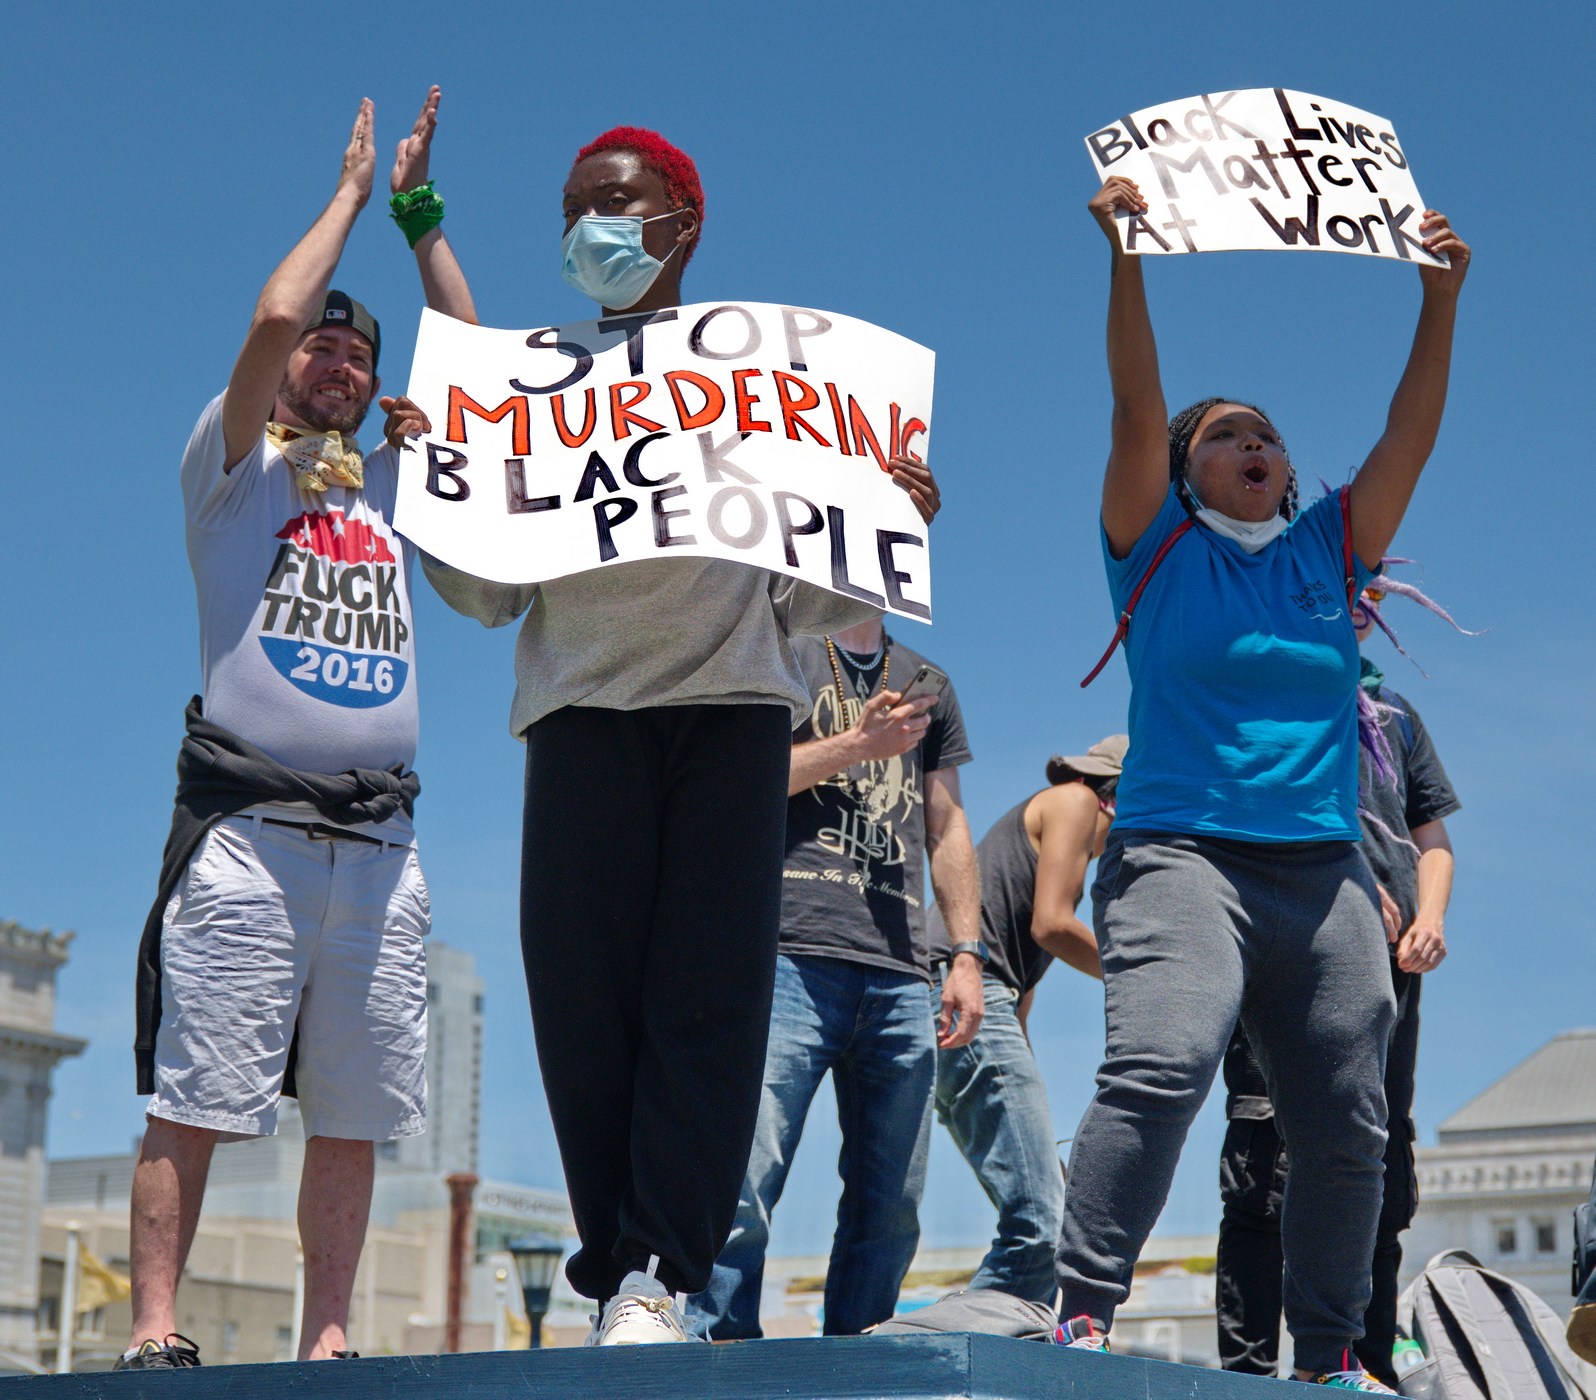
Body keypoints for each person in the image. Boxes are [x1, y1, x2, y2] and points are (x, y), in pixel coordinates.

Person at [382, 120, 943, 1345]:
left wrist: (884, 522)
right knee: (581, 1002)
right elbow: (488, 596)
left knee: (707, 1000)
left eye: (617, 201)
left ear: (682, 224)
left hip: (732, 715)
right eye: (576, 205)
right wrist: (436, 493)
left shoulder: (772, 391)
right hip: (580, 717)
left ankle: (657, 1273)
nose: (591, 225)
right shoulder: (533, 386)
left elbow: (806, 604)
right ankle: (612, 1263)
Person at [1054, 174, 1469, 1393]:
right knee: (1166, 1062)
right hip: (1181, 853)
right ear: (1184, 471)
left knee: (1350, 1123)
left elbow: (1410, 434)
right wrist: (1127, 256)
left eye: (1268, 435)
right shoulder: (1155, 545)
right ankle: (1082, 1313)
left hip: (1322, 874)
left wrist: (1439, 298)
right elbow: (1135, 403)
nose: (1254, 444)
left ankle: (1328, 1356)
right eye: (1225, 434)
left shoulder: (1328, 549)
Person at [122, 96, 454, 1368]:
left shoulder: (389, 486)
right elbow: (268, 317)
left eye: (358, 356)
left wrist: (422, 220)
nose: (338, 364)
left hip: (379, 846)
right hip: (249, 839)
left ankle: (328, 1338)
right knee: (199, 1092)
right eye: (325, 347)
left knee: (357, 1111)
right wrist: (353, 197)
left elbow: (482, 377)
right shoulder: (232, 472)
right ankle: (156, 1330)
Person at [687, 621, 978, 1338]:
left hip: (902, 972)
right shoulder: (778, 652)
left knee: (892, 1202)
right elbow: (738, 778)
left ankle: (857, 1367)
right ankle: (719, 1362)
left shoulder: (930, 681)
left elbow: (947, 826)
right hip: (788, 954)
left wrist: (966, 954)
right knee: (745, 1179)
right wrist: (856, 745)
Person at [1216, 581, 1461, 1385]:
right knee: (1265, 1162)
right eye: (1347, 579)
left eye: (1373, 587)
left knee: (1379, 1159)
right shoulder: (1269, 693)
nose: (1365, 596)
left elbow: (1432, 835)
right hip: (1290, 943)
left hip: (1392, 972)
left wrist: (1430, 916)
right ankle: (1247, 1376)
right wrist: (1350, 882)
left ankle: (1364, 1366)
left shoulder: (1396, 716)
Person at [925, 736, 1123, 1304]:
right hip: (963, 991)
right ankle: (970, 1341)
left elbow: (1018, 1011)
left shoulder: (1049, 863)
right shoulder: (1076, 801)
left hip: (966, 1002)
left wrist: (1034, 1132)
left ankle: (984, 1338)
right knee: (1044, 1223)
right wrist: (1147, 973)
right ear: (1117, 798)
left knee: (1043, 1209)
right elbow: (1052, 926)